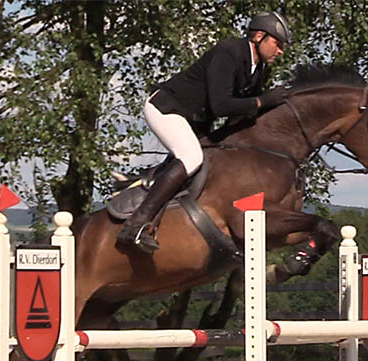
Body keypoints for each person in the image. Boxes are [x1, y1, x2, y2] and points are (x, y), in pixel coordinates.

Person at [117, 11, 292, 254]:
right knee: (191, 157)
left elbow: (240, 113)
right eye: (277, 43)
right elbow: (222, 104)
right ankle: (135, 224)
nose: (280, 50)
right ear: (260, 36)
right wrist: (262, 101)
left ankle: (154, 190)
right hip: (167, 109)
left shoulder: (257, 69)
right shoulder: (229, 52)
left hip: (194, 120)